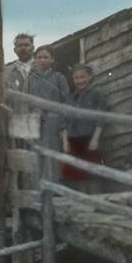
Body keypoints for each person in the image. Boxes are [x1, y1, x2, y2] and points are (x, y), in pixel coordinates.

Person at [61, 64, 107, 192]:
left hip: (90, 138)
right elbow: (64, 121)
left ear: (90, 77)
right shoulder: (70, 98)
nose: (80, 81)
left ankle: (96, 202)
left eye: (83, 77)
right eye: (76, 78)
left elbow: (101, 118)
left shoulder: (97, 94)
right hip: (73, 139)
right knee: (77, 173)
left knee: (93, 172)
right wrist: (65, 142)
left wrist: (95, 139)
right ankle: (82, 205)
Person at [27, 45, 70, 181]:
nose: (42, 60)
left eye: (46, 57)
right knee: (36, 156)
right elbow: (25, 103)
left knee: (53, 156)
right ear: (35, 60)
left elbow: (66, 102)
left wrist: (63, 127)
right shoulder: (31, 80)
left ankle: (54, 191)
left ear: (52, 60)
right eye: (39, 57)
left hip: (54, 122)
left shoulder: (59, 78)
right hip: (35, 123)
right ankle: (39, 191)